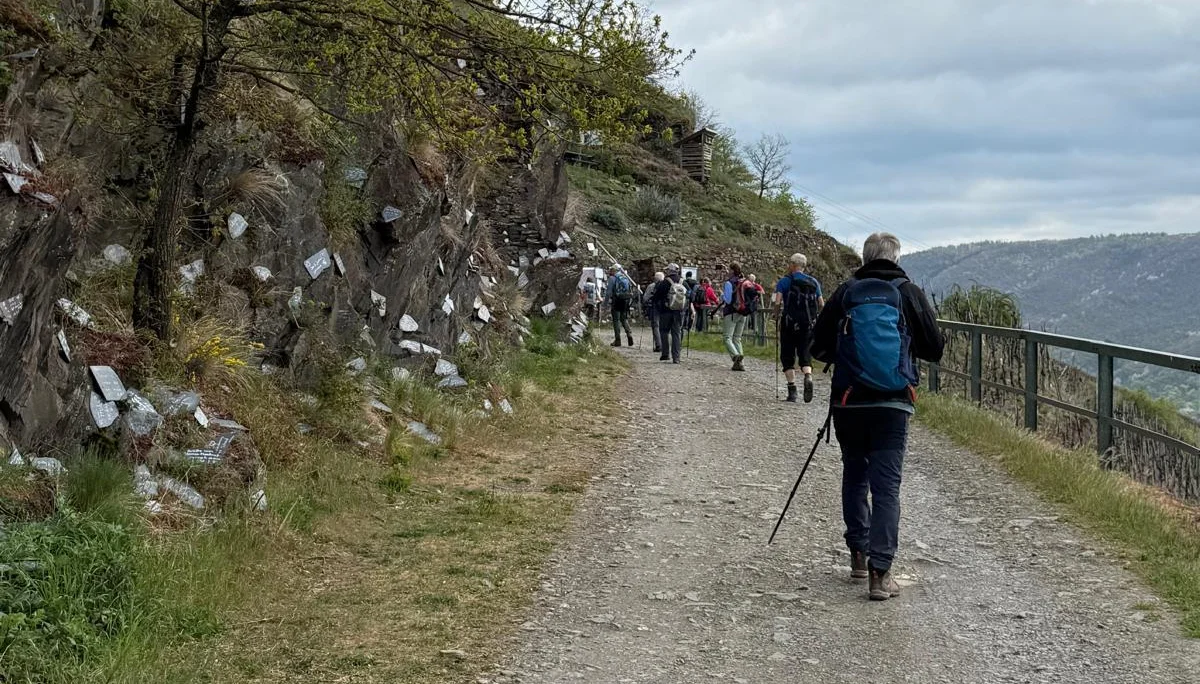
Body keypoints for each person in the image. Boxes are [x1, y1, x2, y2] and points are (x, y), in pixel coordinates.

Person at [812, 232, 944, 601]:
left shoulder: (846, 291)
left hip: (849, 401)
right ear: (896, 257)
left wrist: (847, 354)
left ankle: (858, 554)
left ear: (865, 257)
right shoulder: (908, 292)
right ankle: (880, 574)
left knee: (854, 473)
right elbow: (935, 348)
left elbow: (817, 345)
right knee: (886, 486)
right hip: (893, 402)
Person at [774, 253, 824, 403]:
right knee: (805, 354)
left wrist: (776, 316)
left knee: (787, 355)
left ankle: (792, 391)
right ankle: (808, 376)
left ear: (792, 265)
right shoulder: (813, 282)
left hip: (789, 323)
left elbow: (777, 302)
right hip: (807, 324)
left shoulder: (784, 282)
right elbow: (821, 303)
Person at [721, 263, 759, 371]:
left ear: (732, 270)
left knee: (727, 337)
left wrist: (722, 295)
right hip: (744, 312)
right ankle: (740, 363)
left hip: (731, 313)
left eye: (728, 269)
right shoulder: (744, 281)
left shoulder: (729, 283)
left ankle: (735, 356)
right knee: (737, 338)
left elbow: (728, 300)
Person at [652, 263, 687, 363]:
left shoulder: (664, 282)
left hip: (666, 311)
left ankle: (665, 354)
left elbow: (656, 297)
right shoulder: (683, 281)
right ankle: (676, 357)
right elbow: (691, 295)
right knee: (676, 333)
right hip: (679, 312)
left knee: (664, 332)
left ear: (669, 271)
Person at [605, 265, 636, 347]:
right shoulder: (625, 277)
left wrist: (605, 303)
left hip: (617, 300)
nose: (610, 271)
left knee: (616, 320)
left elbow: (608, 292)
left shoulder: (612, 278)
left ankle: (618, 340)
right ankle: (629, 334)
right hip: (626, 300)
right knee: (624, 318)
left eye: (611, 269)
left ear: (614, 270)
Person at [643, 271, 664, 352]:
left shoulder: (651, 286)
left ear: (655, 278)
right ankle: (665, 345)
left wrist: (645, 305)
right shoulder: (667, 285)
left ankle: (658, 345)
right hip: (665, 308)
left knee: (655, 326)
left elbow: (645, 298)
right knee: (663, 327)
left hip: (655, 307)